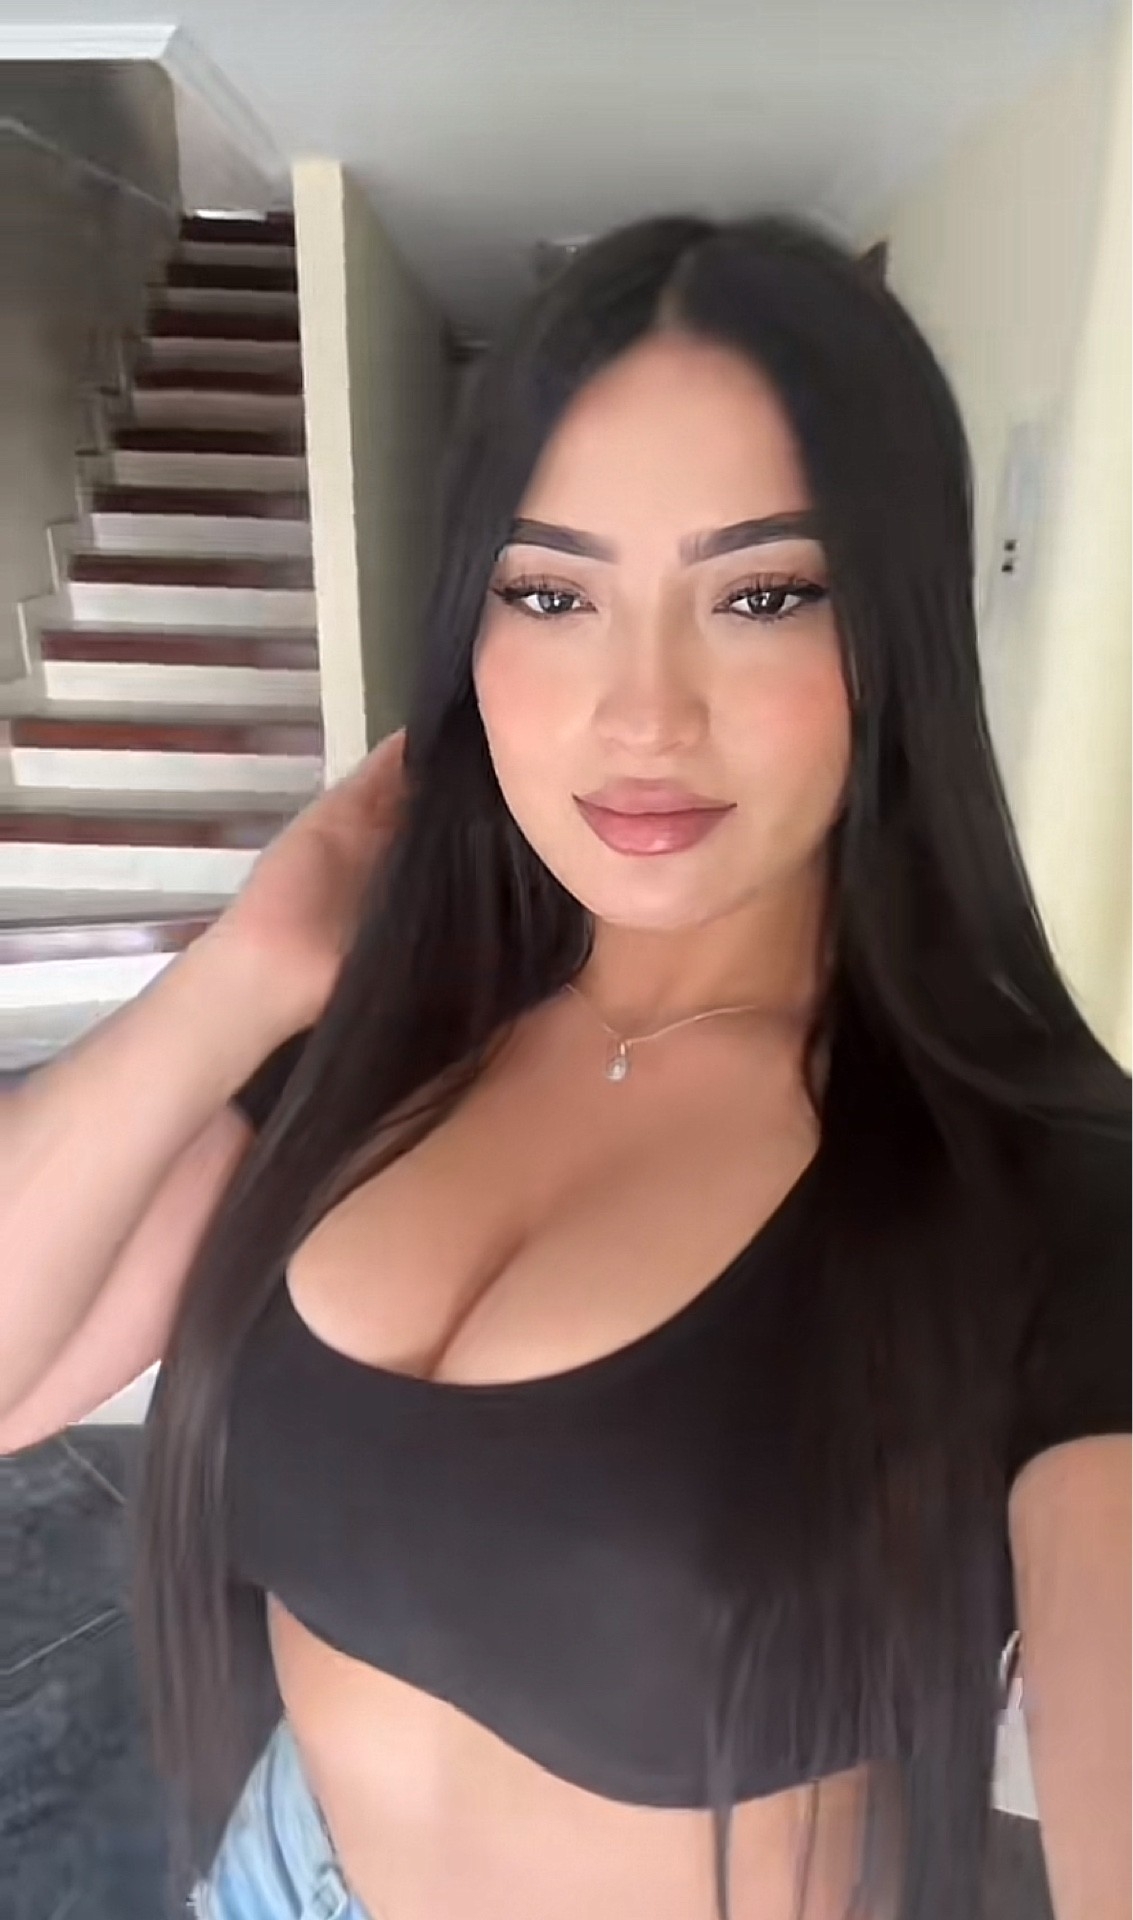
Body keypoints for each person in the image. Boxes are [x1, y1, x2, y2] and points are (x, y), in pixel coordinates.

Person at [1, 214, 1128, 1920]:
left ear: (890, 634)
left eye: (760, 595)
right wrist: (241, 974)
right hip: (282, 1877)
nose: (642, 715)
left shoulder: (1054, 1191)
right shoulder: (380, 1030)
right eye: (550, 593)